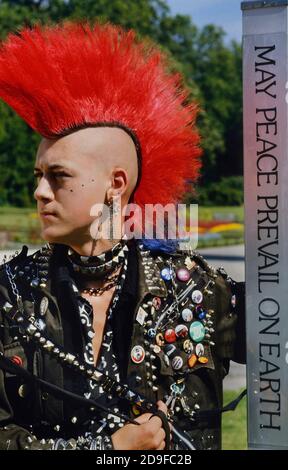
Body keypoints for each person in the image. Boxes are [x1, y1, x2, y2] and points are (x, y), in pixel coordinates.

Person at [0, 22, 245, 450]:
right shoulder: (10, 294)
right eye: (39, 175)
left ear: (116, 184)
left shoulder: (199, 292)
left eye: (58, 176)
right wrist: (111, 452)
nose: (39, 192)